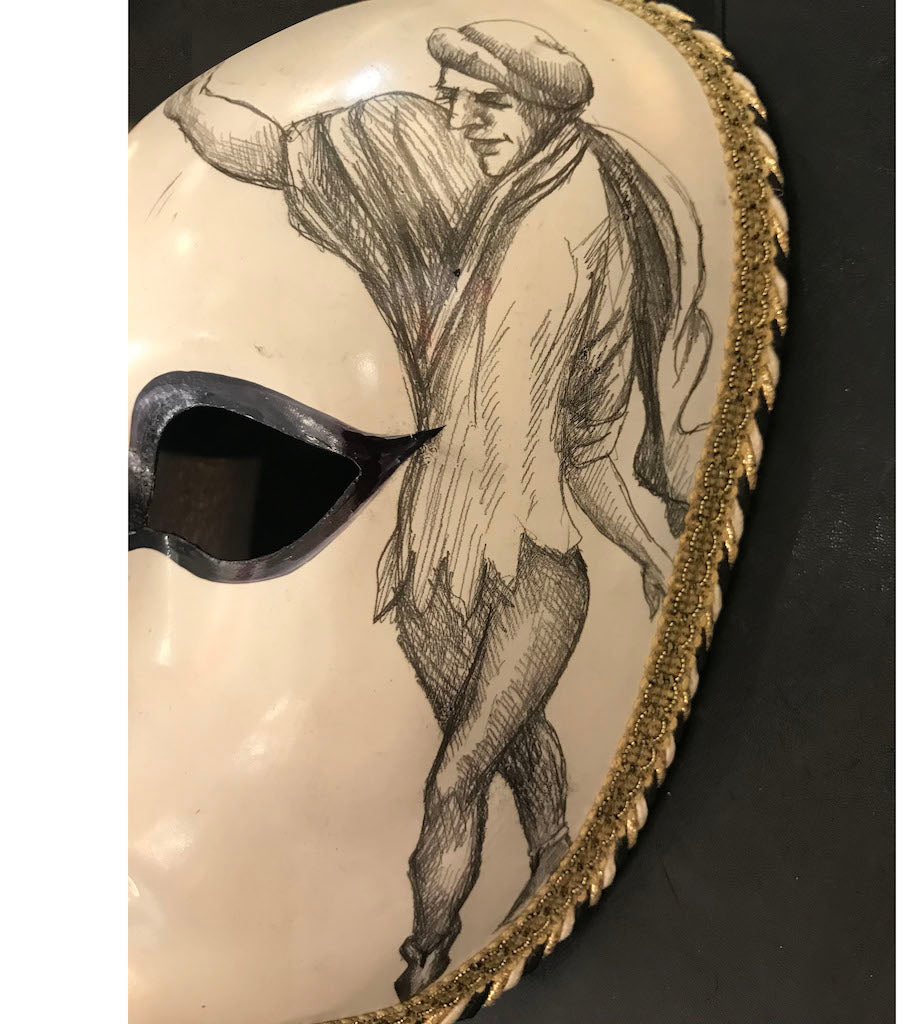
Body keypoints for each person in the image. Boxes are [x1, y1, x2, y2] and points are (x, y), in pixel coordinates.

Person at [164, 18, 711, 998]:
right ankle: (551, 852)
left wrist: (647, 548)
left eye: (488, 104)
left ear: (543, 111)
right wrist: (187, 104)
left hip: (535, 565)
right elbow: (274, 156)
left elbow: (587, 450)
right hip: (431, 557)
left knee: (456, 773)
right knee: (509, 738)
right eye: (452, 100)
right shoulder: (438, 195)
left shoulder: (596, 234)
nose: (462, 121)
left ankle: (425, 959)